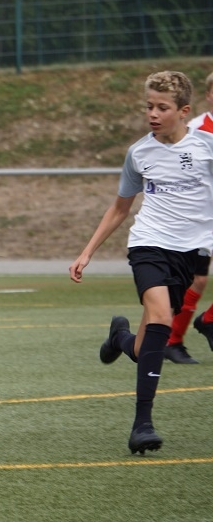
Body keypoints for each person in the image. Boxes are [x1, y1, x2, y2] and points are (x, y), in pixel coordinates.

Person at [69, 71, 213, 455]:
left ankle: (120, 338)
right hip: (148, 245)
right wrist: (87, 252)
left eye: (162, 107)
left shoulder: (207, 149)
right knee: (162, 318)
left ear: (184, 111)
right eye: (149, 106)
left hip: (189, 254)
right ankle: (142, 425)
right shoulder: (139, 152)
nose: (153, 113)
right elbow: (120, 208)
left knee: (146, 343)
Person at [165, 71, 213, 364]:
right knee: (197, 279)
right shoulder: (196, 129)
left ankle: (208, 320)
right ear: (209, 95)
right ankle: (172, 342)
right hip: (200, 216)